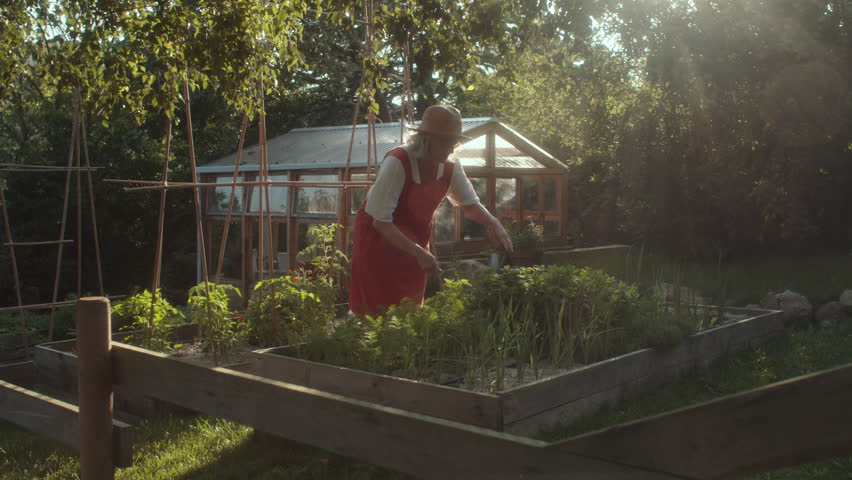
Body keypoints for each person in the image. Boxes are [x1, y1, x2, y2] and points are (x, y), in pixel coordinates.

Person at [348, 104, 513, 317]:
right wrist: (419, 252)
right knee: (375, 309)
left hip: (415, 241)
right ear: (426, 139)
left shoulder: (450, 165)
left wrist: (493, 222)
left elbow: (470, 205)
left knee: (410, 306)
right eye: (446, 142)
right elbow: (381, 222)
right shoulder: (398, 162)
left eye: (454, 142)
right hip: (378, 241)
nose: (452, 148)